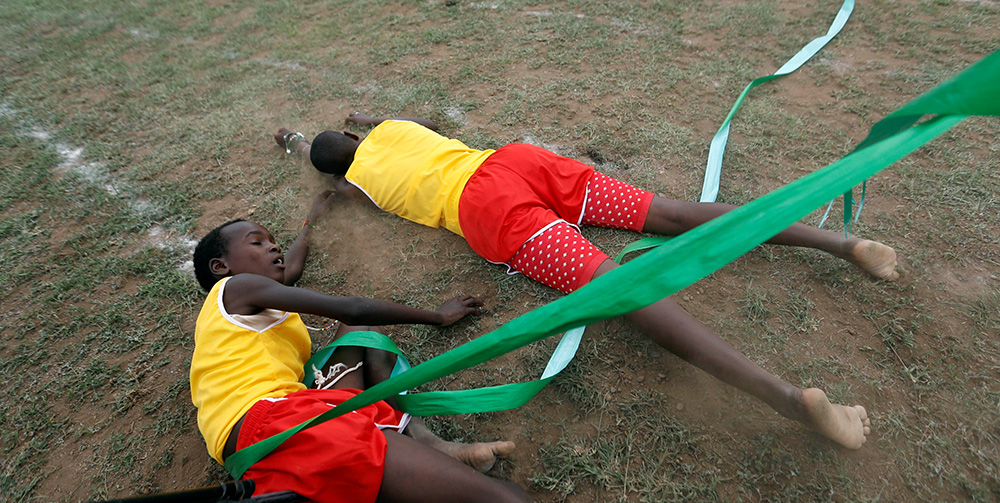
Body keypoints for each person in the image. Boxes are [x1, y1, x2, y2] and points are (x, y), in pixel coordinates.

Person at [272, 112, 895, 450]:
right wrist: (357, 124)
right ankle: (842, 244)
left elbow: (340, 177)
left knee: (617, 288)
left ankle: (788, 399)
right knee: (673, 214)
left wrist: (297, 148)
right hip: (516, 162)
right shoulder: (395, 129)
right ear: (357, 135)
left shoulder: (362, 187)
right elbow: (386, 123)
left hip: (485, 211)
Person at [190, 191, 603, 503]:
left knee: (360, 335)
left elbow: (292, 266)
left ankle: (425, 442)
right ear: (221, 267)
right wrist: (436, 316)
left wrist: (311, 217)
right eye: (257, 242)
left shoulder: (241, 307)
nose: (273, 246)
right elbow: (351, 307)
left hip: (270, 465)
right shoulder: (236, 288)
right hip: (280, 429)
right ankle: (421, 449)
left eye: (272, 239)